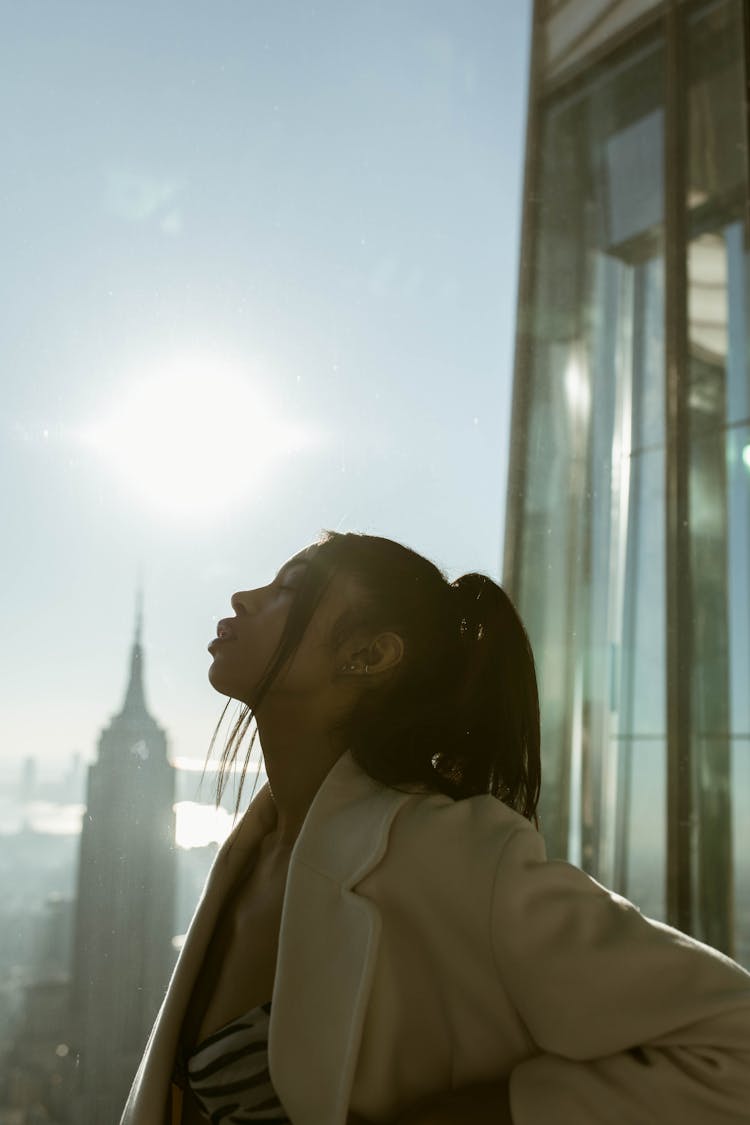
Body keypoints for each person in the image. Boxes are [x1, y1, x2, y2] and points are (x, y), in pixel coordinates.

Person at [121, 530, 750, 1125]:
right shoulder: (255, 848)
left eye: (290, 588)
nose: (243, 596)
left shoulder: (453, 851)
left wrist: (476, 1117)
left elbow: (733, 1043)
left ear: (368, 655)